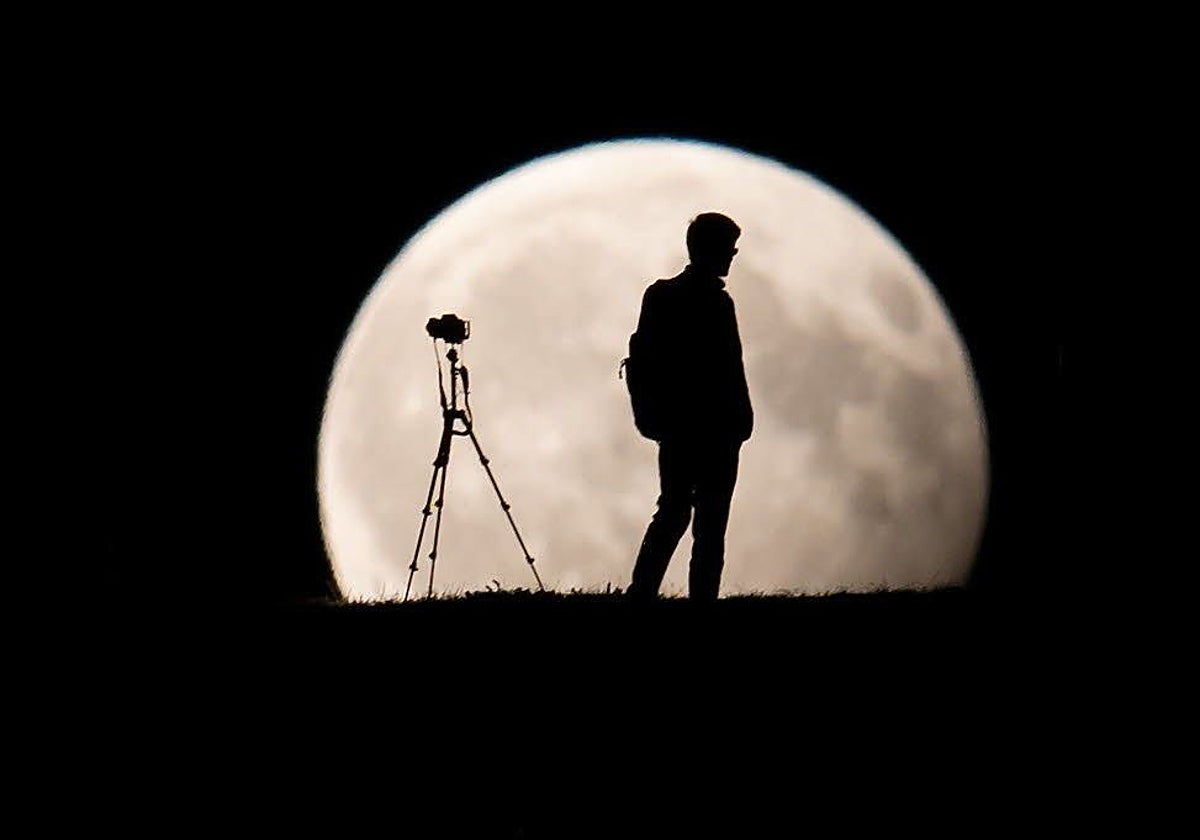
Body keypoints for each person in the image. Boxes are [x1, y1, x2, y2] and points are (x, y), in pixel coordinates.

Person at [627, 212, 753, 603]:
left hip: (684, 427)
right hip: (709, 428)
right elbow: (729, 368)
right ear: (710, 250)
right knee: (704, 521)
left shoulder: (662, 295)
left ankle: (642, 593)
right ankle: (697, 599)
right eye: (729, 249)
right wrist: (741, 419)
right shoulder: (714, 302)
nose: (732, 256)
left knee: (676, 512)